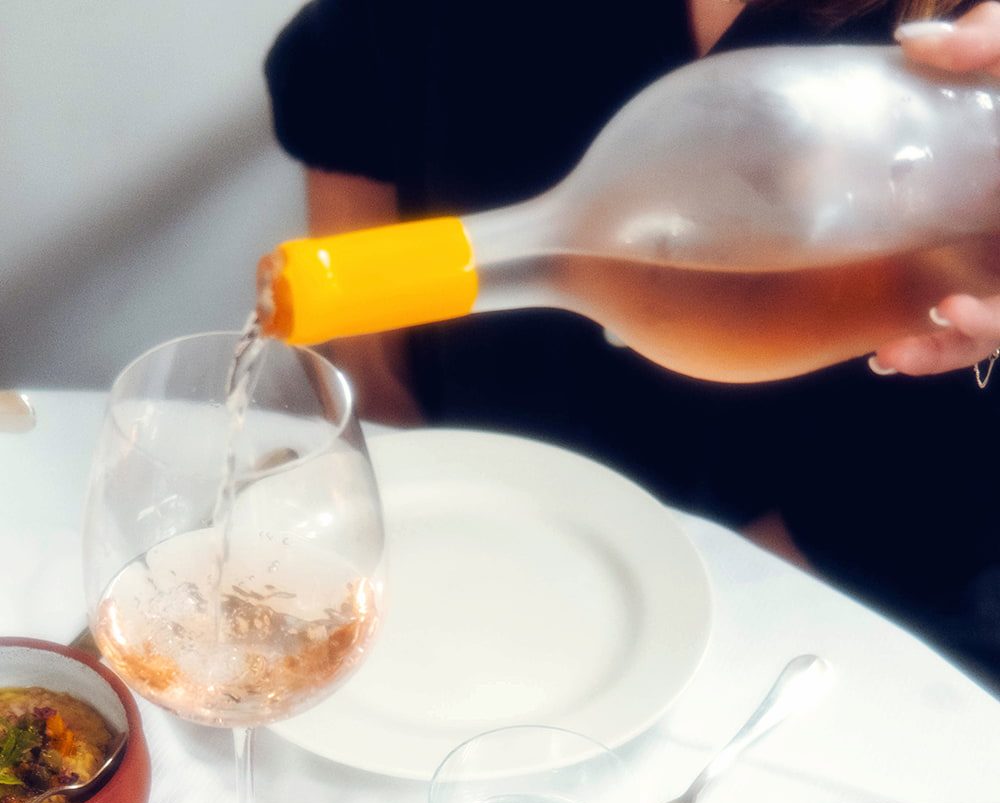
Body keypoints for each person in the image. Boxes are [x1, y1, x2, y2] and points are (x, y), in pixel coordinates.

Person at [264, 0, 1000, 691]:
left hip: (844, 639)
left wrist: (633, 661)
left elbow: (912, 524)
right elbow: (346, 78)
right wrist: (391, 432)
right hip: (484, 551)